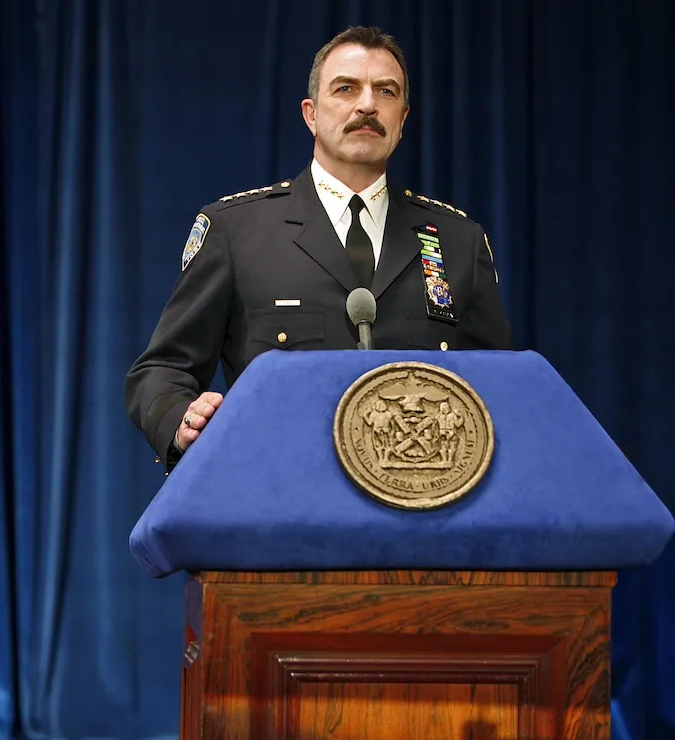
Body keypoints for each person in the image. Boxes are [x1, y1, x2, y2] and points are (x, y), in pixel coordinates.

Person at [124, 26, 513, 473]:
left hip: (422, 508)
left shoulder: (456, 241)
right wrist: (181, 420)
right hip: (280, 498)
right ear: (311, 114)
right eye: (346, 88)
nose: (367, 104)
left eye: (385, 91)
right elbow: (162, 369)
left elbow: (500, 388)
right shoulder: (237, 231)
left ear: (403, 120)